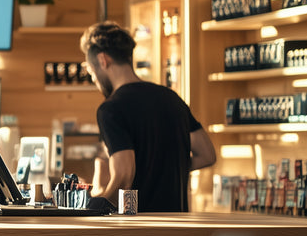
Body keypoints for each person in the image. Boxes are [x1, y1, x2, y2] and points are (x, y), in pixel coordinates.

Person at [79, 22, 216, 212]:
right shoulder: (171, 98)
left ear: (103, 60)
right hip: (179, 226)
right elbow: (207, 155)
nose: (93, 78)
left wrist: (92, 207)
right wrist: (165, 168)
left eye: (91, 70)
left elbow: (124, 177)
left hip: (141, 228)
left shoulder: (111, 109)